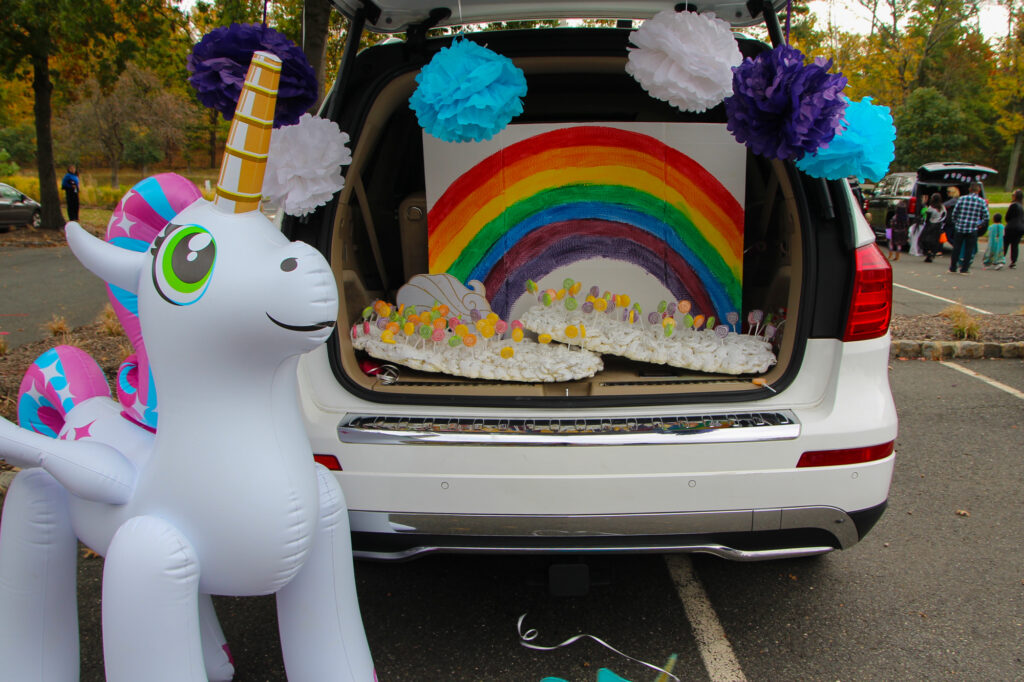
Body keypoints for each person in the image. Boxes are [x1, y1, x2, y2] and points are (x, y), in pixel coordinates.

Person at [949, 182, 989, 275]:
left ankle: (953, 267)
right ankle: (965, 268)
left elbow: (954, 213)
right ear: (979, 190)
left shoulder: (962, 199)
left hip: (960, 227)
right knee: (969, 249)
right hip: (972, 228)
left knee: (956, 248)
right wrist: (979, 225)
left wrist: (956, 222)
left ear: (969, 189)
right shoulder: (981, 201)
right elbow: (986, 217)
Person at [920, 193, 946, 263]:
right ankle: (932, 252)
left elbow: (927, 217)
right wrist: (940, 221)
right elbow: (944, 215)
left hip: (930, 225)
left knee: (925, 239)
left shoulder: (931, 208)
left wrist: (926, 222)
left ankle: (928, 252)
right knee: (935, 240)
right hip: (938, 225)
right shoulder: (942, 207)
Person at [1003, 188, 1023, 269]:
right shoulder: (1021, 206)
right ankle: (1013, 261)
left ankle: (1001, 258)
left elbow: (1008, 216)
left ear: (1015, 196)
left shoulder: (1013, 205)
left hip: (1011, 227)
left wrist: (1008, 221)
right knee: (1015, 244)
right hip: (1020, 227)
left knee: (1005, 243)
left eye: (1013, 195)